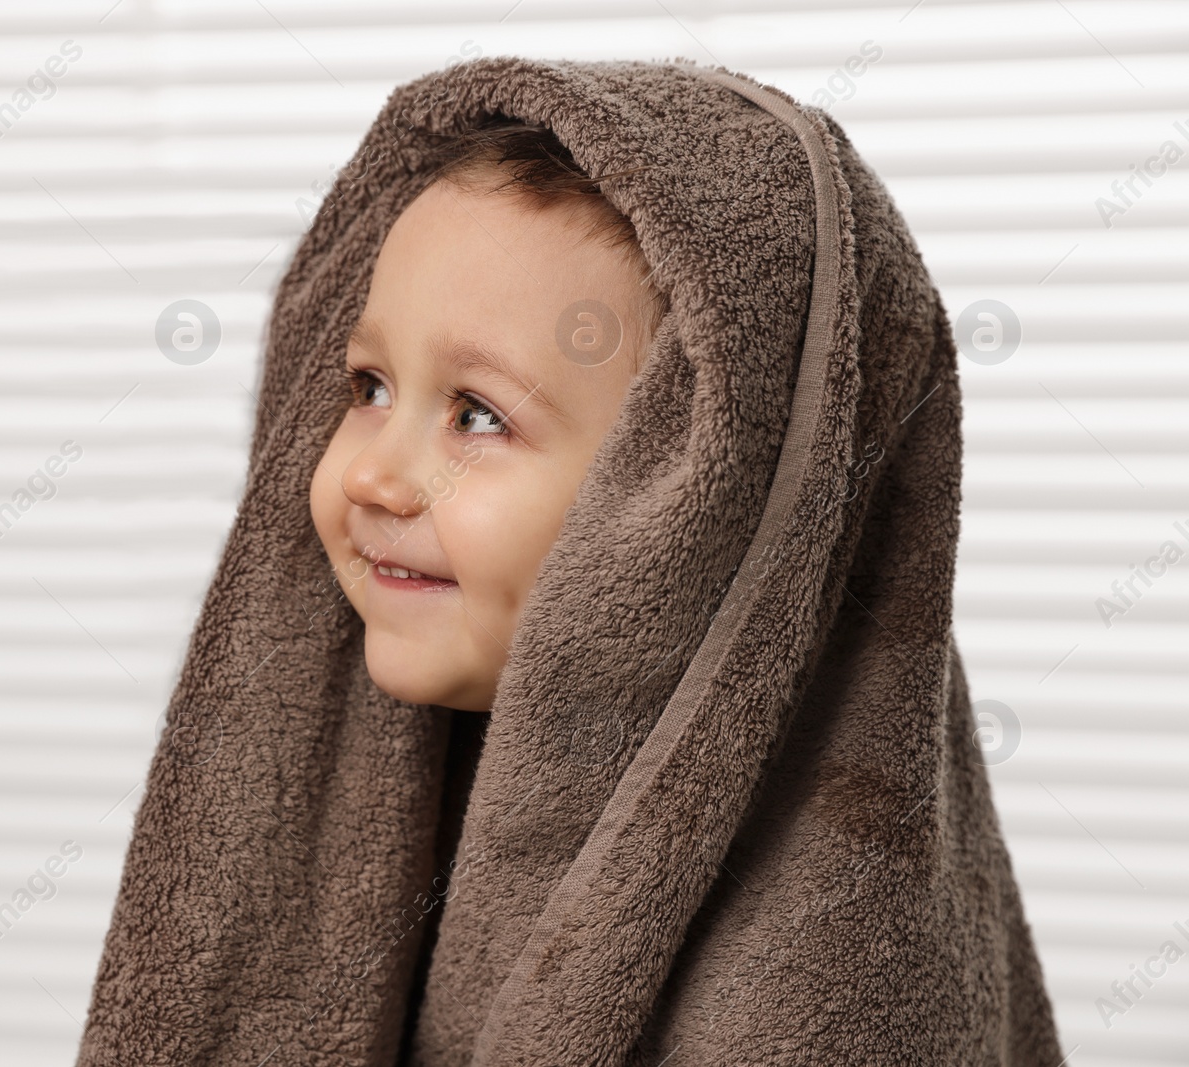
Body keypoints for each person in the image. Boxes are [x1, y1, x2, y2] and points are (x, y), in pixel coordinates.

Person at [76, 57, 1064, 1066]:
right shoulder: (400, 830)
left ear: (696, 512)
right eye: (368, 385)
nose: (372, 473)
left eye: (476, 414)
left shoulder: (827, 991)